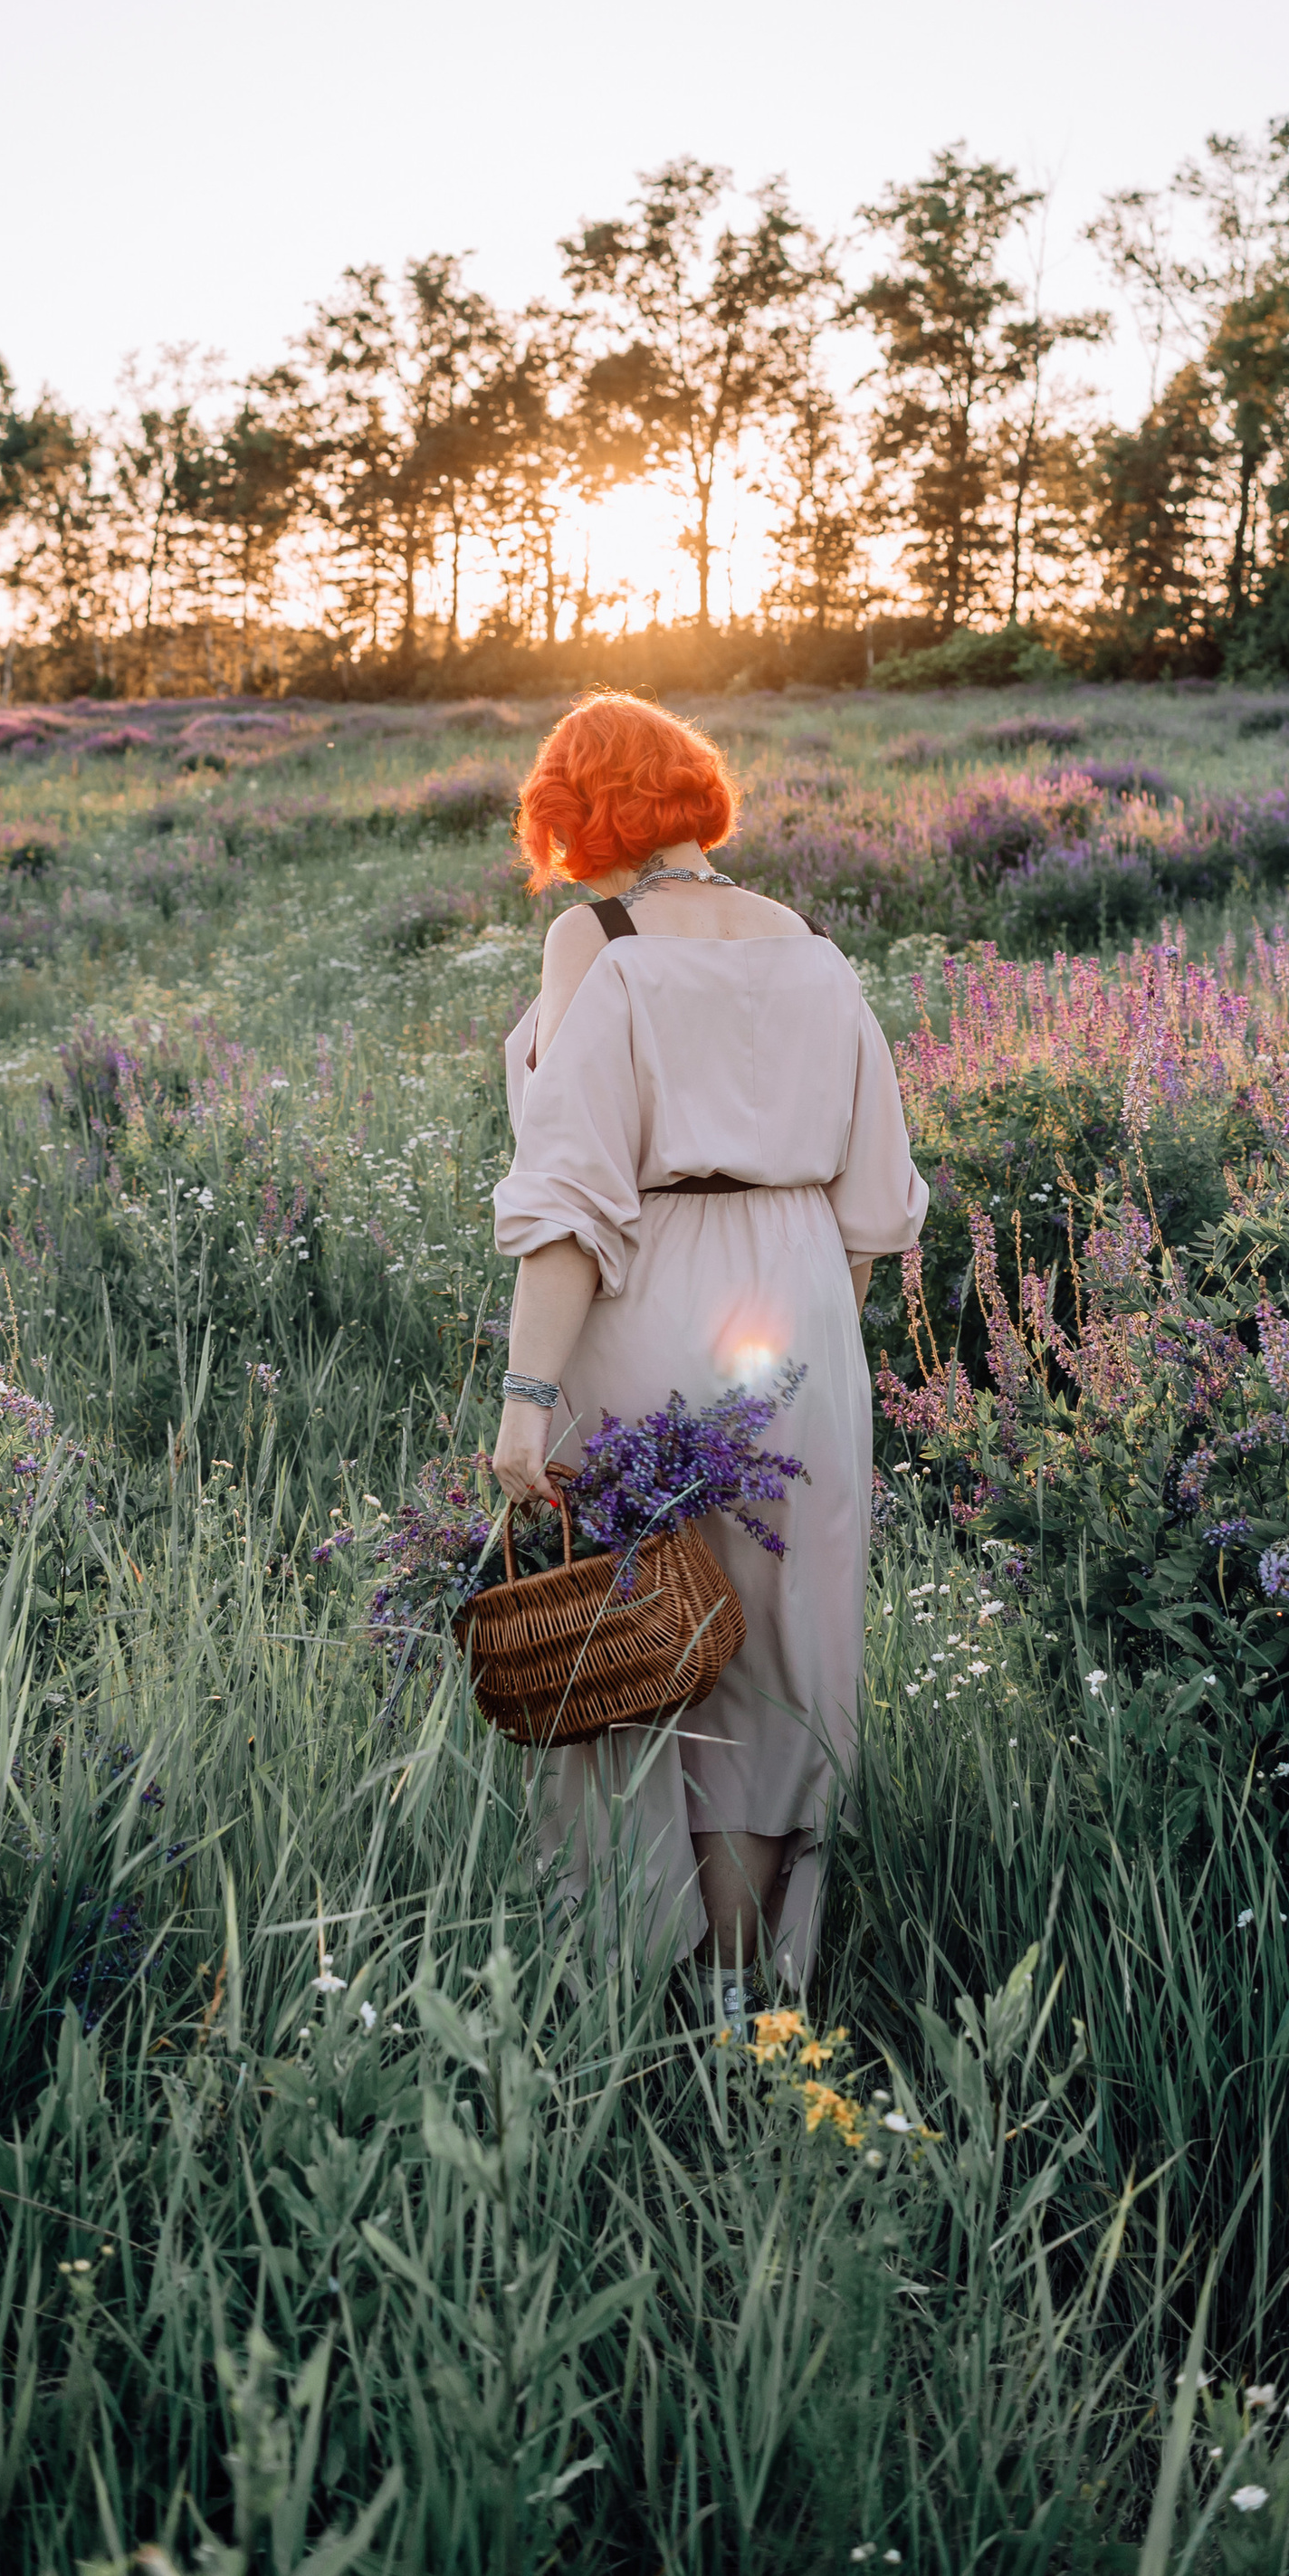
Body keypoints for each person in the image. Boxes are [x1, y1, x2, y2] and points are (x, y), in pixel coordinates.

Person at [489, 689, 928, 2000]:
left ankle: (636, 1979)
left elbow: (570, 1196)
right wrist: (807, 1362)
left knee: (632, 1652)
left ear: (577, 814)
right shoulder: (812, 949)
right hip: (800, 1331)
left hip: (645, 1309)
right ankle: (749, 1997)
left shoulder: (597, 940)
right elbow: (873, 1212)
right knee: (778, 1666)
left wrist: (526, 1397)